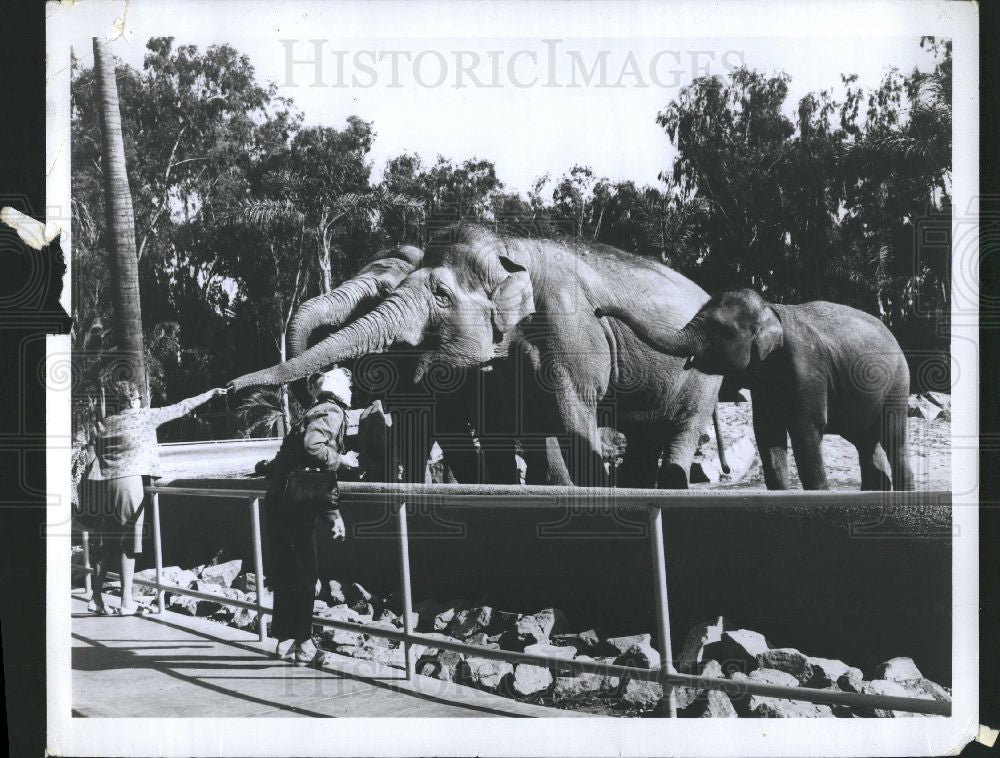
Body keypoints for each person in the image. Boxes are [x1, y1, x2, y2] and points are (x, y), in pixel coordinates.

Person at [81, 380, 226, 615]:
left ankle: (96, 597)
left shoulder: (105, 424)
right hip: (129, 483)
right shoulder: (144, 417)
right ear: (132, 400)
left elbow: (90, 449)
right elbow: (182, 407)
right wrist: (210, 393)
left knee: (106, 546)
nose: (141, 400)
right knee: (129, 544)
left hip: (104, 485)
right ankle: (127, 601)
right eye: (139, 397)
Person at [262, 367, 359, 665]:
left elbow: (294, 458)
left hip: (280, 502)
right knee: (306, 575)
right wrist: (341, 459)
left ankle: (284, 639)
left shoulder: (313, 410)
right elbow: (313, 451)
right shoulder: (332, 411)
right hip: (296, 506)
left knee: (288, 573)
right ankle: (304, 644)